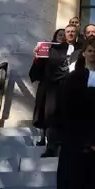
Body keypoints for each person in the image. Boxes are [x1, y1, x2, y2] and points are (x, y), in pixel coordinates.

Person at [55, 39, 95, 189]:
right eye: (89, 51)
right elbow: (67, 109)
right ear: (83, 53)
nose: (92, 54)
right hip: (76, 138)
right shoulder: (73, 78)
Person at [29, 25, 81, 157]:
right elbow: (42, 67)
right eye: (67, 32)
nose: (69, 34)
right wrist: (37, 56)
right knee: (52, 117)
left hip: (74, 88)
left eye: (72, 32)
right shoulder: (53, 48)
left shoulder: (82, 49)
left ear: (77, 34)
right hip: (55, 88)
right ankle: (51, 148)